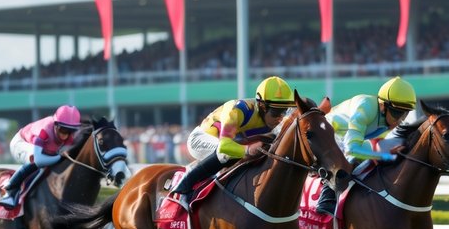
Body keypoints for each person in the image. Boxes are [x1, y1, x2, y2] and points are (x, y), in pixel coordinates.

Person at [168, 75, 297, 210]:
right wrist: (248, 150)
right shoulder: (238, 110)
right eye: (276, 112)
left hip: (230, 143)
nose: (280, 118)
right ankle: (183, 188)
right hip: (200, 140)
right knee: (227, 153)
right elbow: (225, 145)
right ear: (262, 106)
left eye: (284, 111)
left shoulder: (276, 119)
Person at [314, 76, 417, 216]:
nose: (401, 119)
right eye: (397, 112)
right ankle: (327, 198)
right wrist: (385, 156)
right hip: (324, 133)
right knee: (356, 157)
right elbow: (352, 148)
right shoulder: (366, 107)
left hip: (344, 138)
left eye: (405, 113)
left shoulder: (387, 119)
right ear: (382, 106)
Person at [0, 105, 83, 208]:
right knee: (34, 161)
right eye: (63, 130)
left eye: (70, 131)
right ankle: (10, 191)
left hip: (45, 149)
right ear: (56, 125)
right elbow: (39, 161)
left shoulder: (70, 136)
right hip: (20, 143)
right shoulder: (44, 130)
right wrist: (60, 157)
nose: (66, 135)